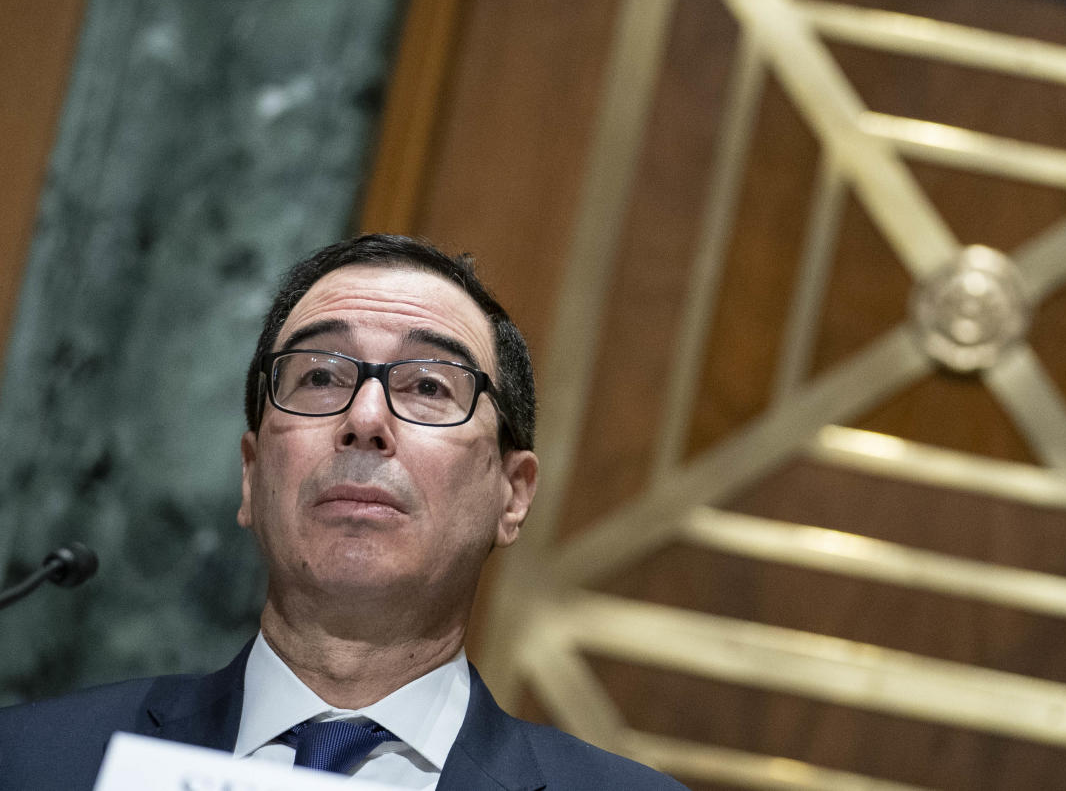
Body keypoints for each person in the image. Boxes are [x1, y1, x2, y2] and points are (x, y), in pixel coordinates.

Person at [0, 234, 686, 790]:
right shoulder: (32, 763)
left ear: (514, 493)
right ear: (250, 474)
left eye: (426, 385)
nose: (365, 419)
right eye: (320, 376)